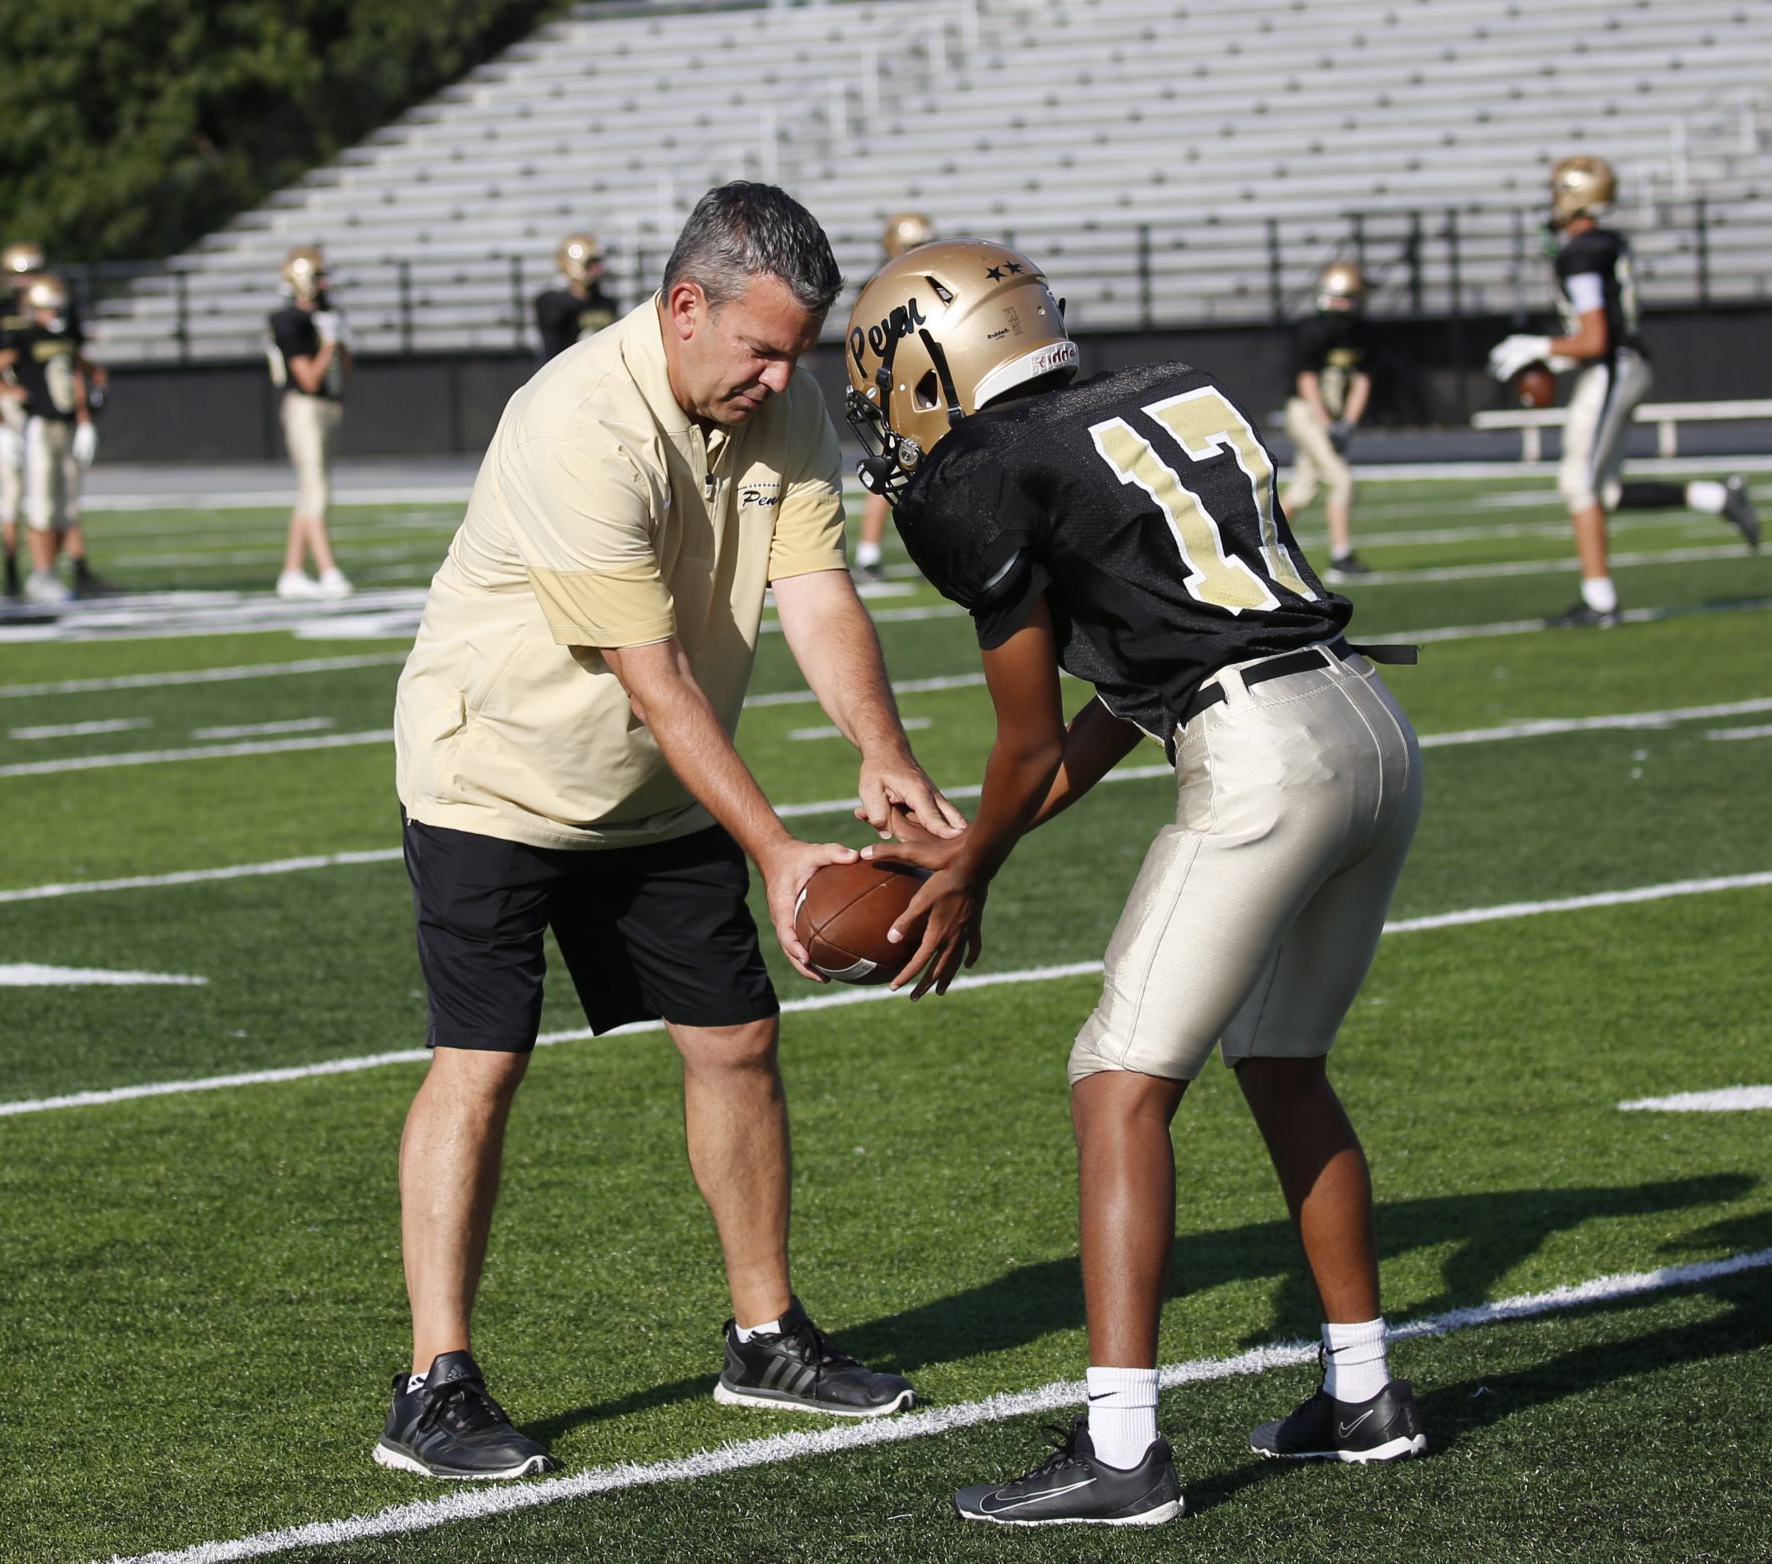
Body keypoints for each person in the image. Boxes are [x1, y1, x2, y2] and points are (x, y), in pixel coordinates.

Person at [383, 182, 962, 1480]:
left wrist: (884, 750)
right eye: (758, 349)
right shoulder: (578, 422)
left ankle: (764, 1335)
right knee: (482, 1060)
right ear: (683, 308)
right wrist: (776, 849)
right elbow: (650, 670)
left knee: (737, 1038)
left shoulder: (786, 402)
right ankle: (434, 1382)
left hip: (656, 783)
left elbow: (814, 593)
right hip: (499, 775)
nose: (778, 378)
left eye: (794, 353)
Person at [844, 240, 1427, 1528]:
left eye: (886, 379)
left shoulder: (981, 473)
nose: (883, 413)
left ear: (938, 368)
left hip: (1265, 756)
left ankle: (1122, 1453)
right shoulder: (1155, 392)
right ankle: (1365, 1391)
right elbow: (1125, 698)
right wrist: (974, 852)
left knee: (1116, 1083)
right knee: (1280, 1062)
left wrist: (971, 870)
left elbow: (1028, 742)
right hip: (1368, 728)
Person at [1488, 156, 1760, 628]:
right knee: (1603, 491)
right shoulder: (1602, 243)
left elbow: (1594, 339)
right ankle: (1718, 498)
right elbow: (1600, 333)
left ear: (1577, 196)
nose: (1553, 201)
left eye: (1559, 191)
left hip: (1613, 369)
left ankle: (1601, 603)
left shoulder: (1581, 251)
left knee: (1579, 485)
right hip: (1620, 365)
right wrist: (1554, 355)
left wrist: (1538, 344)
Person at [0, 274, 100, 605]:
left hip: (68, 425)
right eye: (49, 307)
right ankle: (42, 573)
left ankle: (47, 572)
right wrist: (11, 403)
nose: (55, 313)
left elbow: (80, 371)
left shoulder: (68, 333)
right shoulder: (23, 337)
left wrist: (85, 419)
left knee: (65, 509)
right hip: (40, 425)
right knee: (41, 506)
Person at [849, 211, 935, 585]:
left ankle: (931, 547)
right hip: (892, 386)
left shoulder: (919, 278)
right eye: (913, 245)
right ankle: (868, 555)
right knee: (890, 467)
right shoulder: (882, 285)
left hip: (922, 382)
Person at [267, 245, 353, 599]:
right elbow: (309, 379)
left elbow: (344, 375)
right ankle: (328, 570)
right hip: (304, 407)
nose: (326, 282)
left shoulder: (325, 316)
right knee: (317, 490)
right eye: (318, 276)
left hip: (328, 407)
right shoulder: (288, 321)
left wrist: (342, 343)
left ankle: (291, 572)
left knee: (309, 492)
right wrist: (330, 343)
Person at [1281, 260, 1373, 580]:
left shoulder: (1360, 332)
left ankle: (1259, 549)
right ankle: (1341, 556)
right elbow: (1307, 382)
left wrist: (1348, 421)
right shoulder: (1312, 330)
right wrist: (1327, 423)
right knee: (1342, 480)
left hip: (1330, 415)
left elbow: (1362, 380)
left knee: (1303, 490)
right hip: (1307, 412)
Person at [0, 243, 48, 599]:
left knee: (50, 495)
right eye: (19, 275)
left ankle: (50, 570)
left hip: (46, 412)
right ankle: (12, 573)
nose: (25, 282)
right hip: (13, 411)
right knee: (14, 496)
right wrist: (1, 398)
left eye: (31, 273)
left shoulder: (48, 308)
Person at [534, 233, 620, 359]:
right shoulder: (553, 303)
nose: (599, 270)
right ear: (575, 265)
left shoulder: (606, 303)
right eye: (592, 264)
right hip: (566, 372)